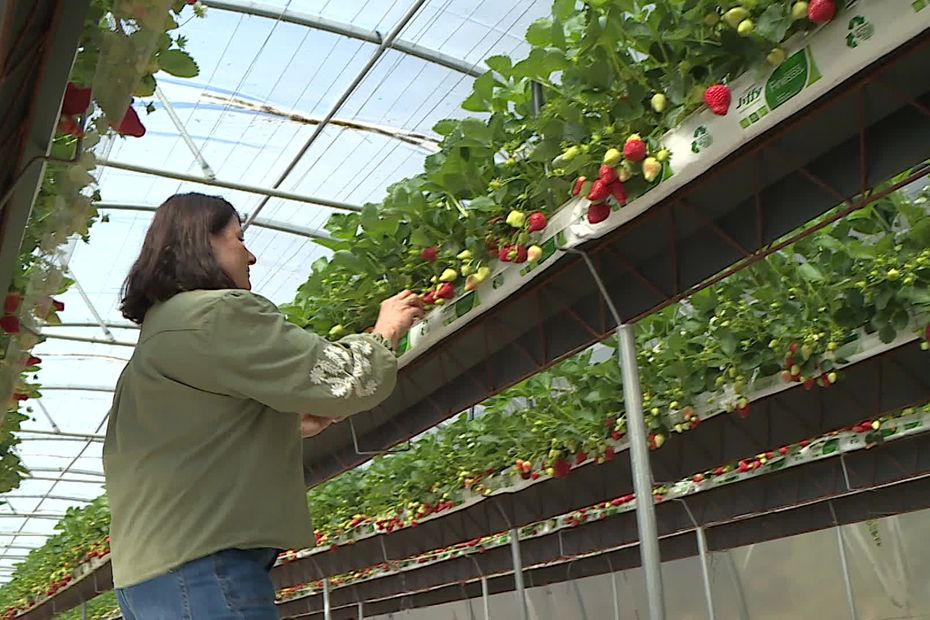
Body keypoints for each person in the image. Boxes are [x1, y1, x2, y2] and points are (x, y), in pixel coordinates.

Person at [103, 193, 423, 619]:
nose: (250, 255)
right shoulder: (214, 314)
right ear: (204, 243)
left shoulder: (162, 334)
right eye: (238, 238)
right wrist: (385, 331)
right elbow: (350, 379)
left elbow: (195, 432)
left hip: (149, 582)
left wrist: (284, 421)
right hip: (202, 573)